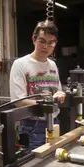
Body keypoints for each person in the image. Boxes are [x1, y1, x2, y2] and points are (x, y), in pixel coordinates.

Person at [9, 20, 65, 150]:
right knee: (35, 166)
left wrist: (60, 94)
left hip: (54, 122)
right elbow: (18, 101)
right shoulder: (21, 64)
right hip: (33, 126)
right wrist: (47, 103)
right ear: (34, 39)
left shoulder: (53, 65)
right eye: (42, 41)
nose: (46, 46)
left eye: (51, 43)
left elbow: (58, 92)